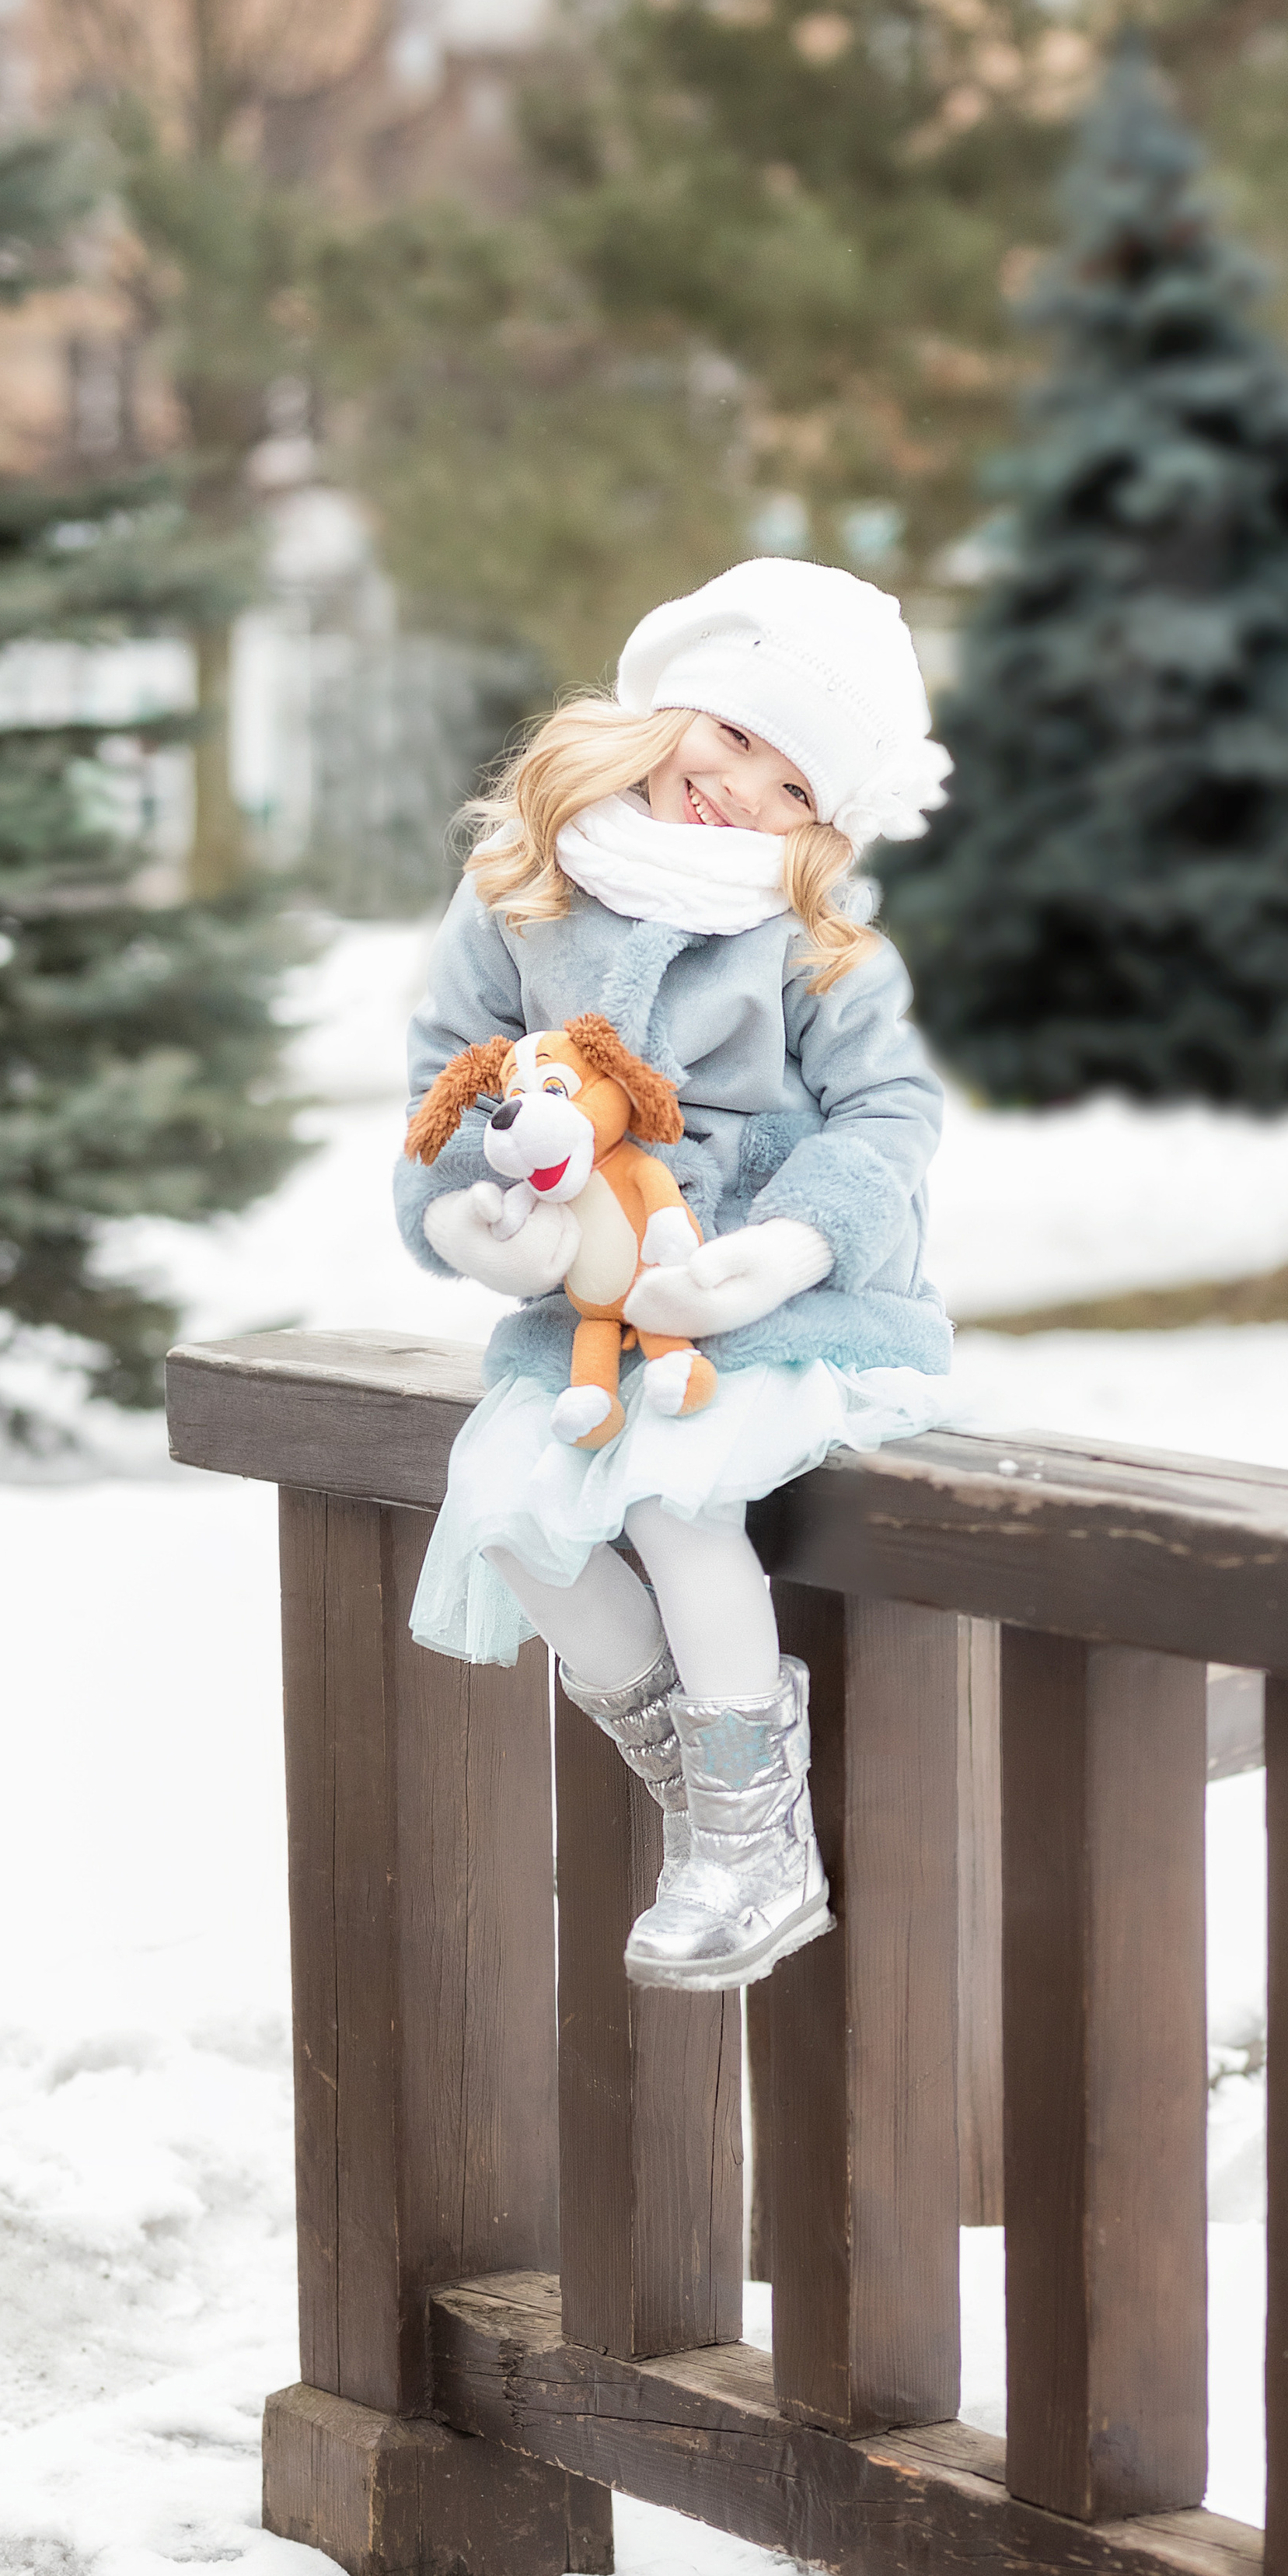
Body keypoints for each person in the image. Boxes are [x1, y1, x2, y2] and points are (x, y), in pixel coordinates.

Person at [397, 557, 956, 1993]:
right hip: (588, 1313)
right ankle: (714, 1806)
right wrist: (466, 1217)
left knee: (679, 1494)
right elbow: (447, 1087)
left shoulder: (816, 940)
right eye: (740, 741)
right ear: (675, 708)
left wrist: (788, 1245)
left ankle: (751, 1852)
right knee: (518, 1525)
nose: (747, 795)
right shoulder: (521, 888)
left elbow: (890, 1116)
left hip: (772, 1310)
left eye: (795, 793)